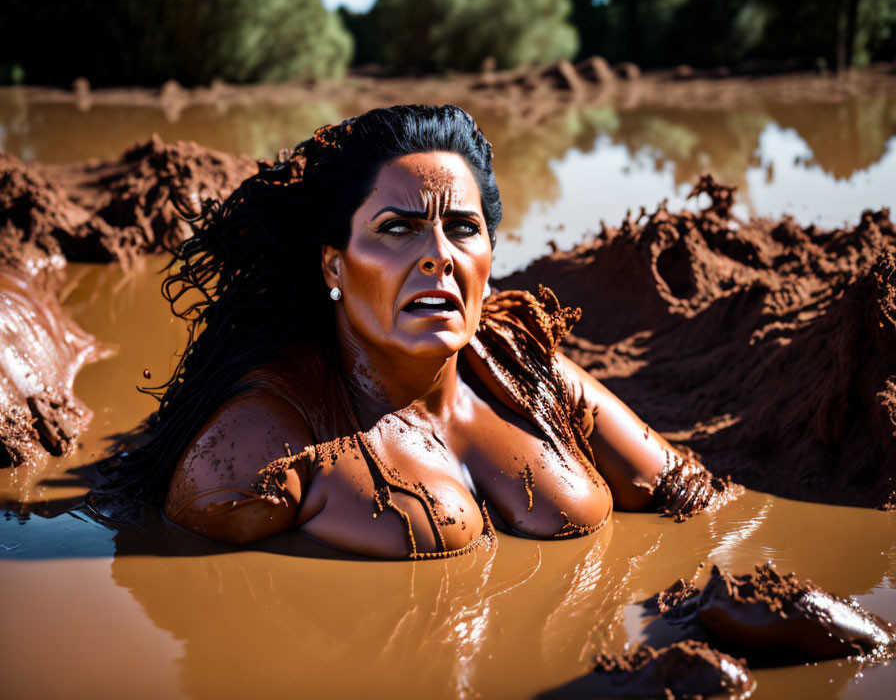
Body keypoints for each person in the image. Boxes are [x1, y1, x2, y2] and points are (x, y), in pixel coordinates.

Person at [100, 105, 736, 559]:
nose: (439, 255)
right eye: (397, 228)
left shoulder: (525, 371)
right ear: (335, 266)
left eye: (462, 227)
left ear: (489, 253)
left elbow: (697, 503)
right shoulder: (260, 447)